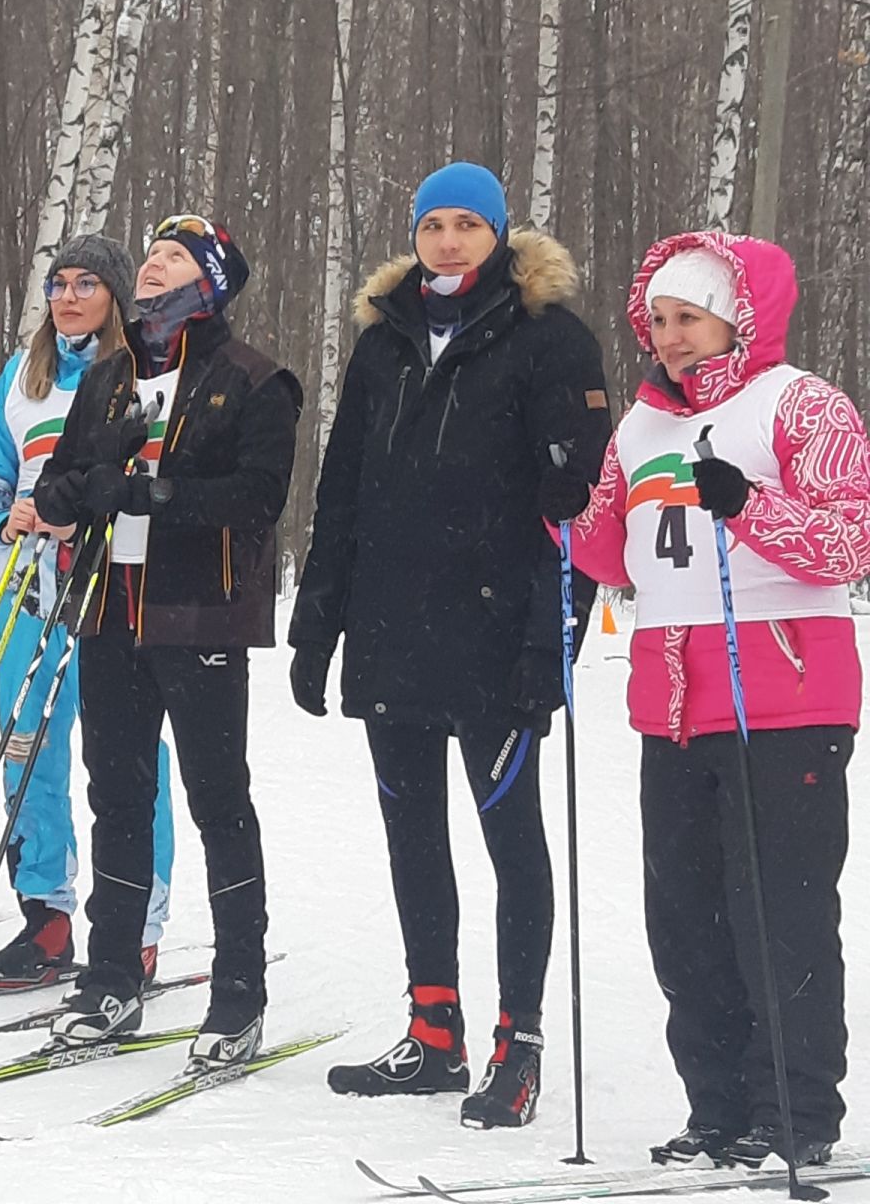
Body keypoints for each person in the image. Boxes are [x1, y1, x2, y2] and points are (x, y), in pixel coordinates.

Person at [289, 161, 610, 1128]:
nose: (448, 241)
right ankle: (434, 1031)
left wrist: (550, 640)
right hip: (391, 629)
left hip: (495, 632)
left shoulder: (550, 339)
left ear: (500, 235)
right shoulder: (384, 341)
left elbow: (581, 511)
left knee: (510, 837)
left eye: (469, 224)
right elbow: (341, 488)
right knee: (411, 835)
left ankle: (521, 1042)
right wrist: (316, 626)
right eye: (434, 224)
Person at [559, 232, 867, 1169]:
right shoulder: (642, 426)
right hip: (673, 704)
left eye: (688, 317)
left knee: (780, 910)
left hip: (787, 698)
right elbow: (611, 554)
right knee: (686, 920)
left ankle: (796, 1108)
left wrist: (750, 507)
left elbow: (850, 544)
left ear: (737, 318)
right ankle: (718, 1108)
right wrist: (561, 508)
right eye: (658, 320)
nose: (671, 336)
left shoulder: (802, 405)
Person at [33, 213, 300, 1068]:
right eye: (148, 257)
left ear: (210, 282)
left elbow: (258, 499)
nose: (151, 269)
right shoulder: (109, 376)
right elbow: (59, 480)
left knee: (218, 799)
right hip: (111, 612)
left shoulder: (255, 379)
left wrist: (157, 494)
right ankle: (110, 977)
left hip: (202, 617)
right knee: (116, 793)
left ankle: (238, 991)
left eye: (173, 258)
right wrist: (90, 486)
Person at [0, 232, 176, 984]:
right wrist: (2, 518)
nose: (69, 297)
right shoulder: (24, 376)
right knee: (27, 750)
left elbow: (151, 481)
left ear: (117, 297)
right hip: (30, 591)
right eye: (58, 283)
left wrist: (85, 515)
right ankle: (45, 915)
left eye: (88, 284)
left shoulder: (143, 374)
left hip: (110, 591)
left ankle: (136, 924)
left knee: (128, 761)